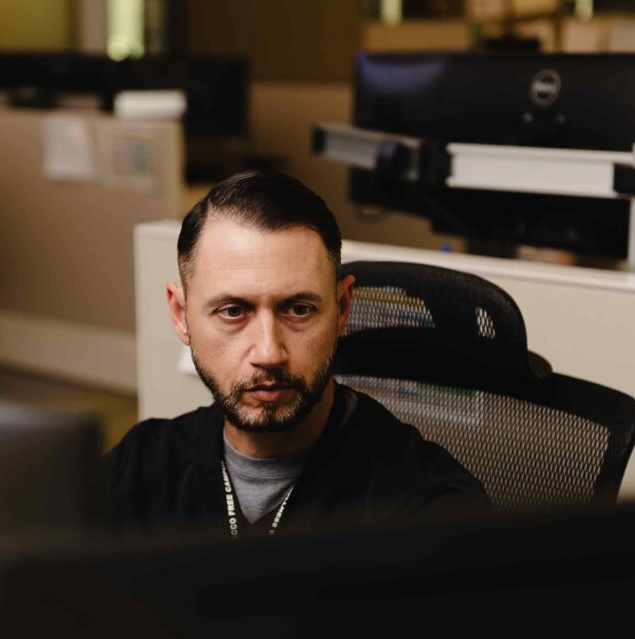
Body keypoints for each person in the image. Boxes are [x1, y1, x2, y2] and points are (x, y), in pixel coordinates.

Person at [97, 170, 487, 539]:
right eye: (233, 311)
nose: (269, 353)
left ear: (342, 309)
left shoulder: (427, 506)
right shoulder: (140, 467)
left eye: (298, 309)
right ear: (181, 316)